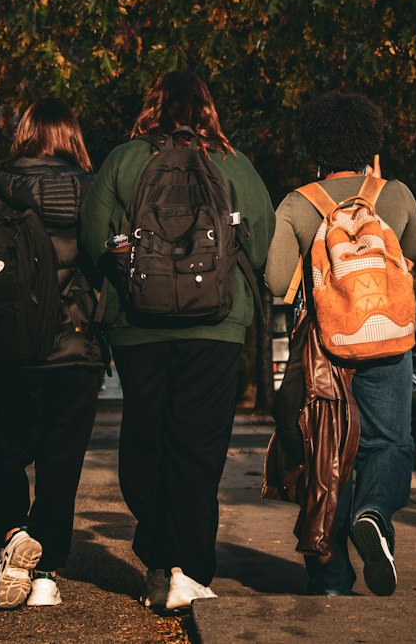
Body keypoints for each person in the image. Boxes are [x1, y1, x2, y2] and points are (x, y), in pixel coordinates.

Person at [80, 70, 274, 613]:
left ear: (153, 105)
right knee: (199, 445)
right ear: (208, 109)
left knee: (145, 434)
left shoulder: (124, 159)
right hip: (216, 325)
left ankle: (159, 559)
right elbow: (261, 239)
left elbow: (93, 233)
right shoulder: (231, 162)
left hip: (137, 324)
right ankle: (190, 570)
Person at [264, 91, 416, 598]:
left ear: (316, 143)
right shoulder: (394, 194)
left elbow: (275, 282)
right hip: (387, 339)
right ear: (370, 141)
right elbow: (415, 249)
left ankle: (330, 578)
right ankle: (374, 513)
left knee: (326, 456)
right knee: (390, 441)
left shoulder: (297, 202)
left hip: (326, 350)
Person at [0, 98, 105, 609]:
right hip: (76, 344)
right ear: (72, 138)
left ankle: (12, 537)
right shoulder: (95, 193)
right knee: (60, 464)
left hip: (11, 344)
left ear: (25, 133)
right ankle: (46, 575)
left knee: (3, 452)